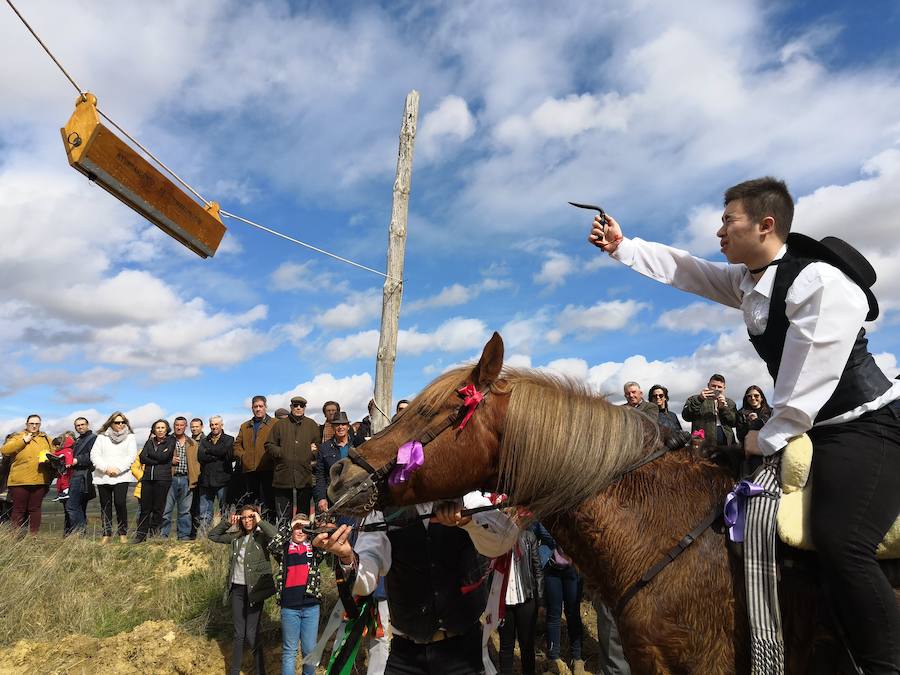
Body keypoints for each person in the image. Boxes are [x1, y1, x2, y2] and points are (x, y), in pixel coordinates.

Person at [587, 176, 900, 673]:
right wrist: (625, 247)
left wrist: (765, 437)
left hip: (864, 425)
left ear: (766, 224)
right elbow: (689, 272)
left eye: (728, 220)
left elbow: (808, 378)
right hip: (812, 428)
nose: (719, 231)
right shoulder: (750, 281)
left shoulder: (819, 282)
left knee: (843, 541)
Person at [313, 492, 519, 675]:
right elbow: (366, 580)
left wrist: (468, 521)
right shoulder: (383, 509)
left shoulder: (466, 496)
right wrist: (348, 557)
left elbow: (505, 539)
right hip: (406, 653)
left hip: (462, 652)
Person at [209, 504, 276, 675]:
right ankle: (234, 671)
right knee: (239, 634)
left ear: (256, 518)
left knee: (251, 634)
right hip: (237, 590)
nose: (247, 521)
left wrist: (260, 521)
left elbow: (276, 535)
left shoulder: (261, 537)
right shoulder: (236, 537)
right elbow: (213, 536)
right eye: (244, 517)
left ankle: (261, 671)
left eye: (251, 517)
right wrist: (227, 522)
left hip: (255, 590)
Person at [268, 513, 326, 675]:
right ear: (291, 529)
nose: (300, 531)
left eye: (304, 528)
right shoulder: (284, 549)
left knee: (309, 650)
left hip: (311, 606)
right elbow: (272, 545)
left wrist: (313, 528)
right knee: (290, 651)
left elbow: (327, 543)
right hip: (289, 607)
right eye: (297, 528)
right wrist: (291, 525)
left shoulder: (314, 548)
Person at [532, 522, 584, 675]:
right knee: (554, 613)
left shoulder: (575, 510)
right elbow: (534, 530)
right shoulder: (544, 514)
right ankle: (553, 657)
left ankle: (578, 657)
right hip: (551, 568)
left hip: (573, 568)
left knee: (573, 612)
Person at [498, 524, 543, 675]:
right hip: (503, 602)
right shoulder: (495, 539)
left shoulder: (528, 537)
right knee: (506, 646)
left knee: (527, 645)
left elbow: (538, 571)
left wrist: (540, 601)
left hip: (526, 600)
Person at [266, 396, 318, 523]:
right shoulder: (280, 424)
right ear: (291, 407)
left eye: (301, 405)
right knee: (283, 515)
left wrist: (312, 453)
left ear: (304, 408)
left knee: (303, 515)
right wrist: (282, 453)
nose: (298, 408)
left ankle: (302, 540)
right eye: (295, 405)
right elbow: (269, 445)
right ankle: (283, 540)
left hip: (304, 474)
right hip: (283, 475)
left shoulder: (312, 424)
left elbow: (318, 445)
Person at [91, 412, 138, 543]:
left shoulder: (130, 437)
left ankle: (123, 533)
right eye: (117, 422)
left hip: (122, 476)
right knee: (105, 505)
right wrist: (106, 468)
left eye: (123, 422)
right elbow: (94, 455)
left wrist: (118, 469)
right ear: (111, 423)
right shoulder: (101, 437)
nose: (120, 424)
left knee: (120, 503)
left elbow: (131, 456)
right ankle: (106, 533)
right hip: (103, 476)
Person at [1, 415, 53, 534]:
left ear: (40, 424)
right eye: (31, 423)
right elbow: (5, 450)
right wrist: (23, 441)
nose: (34, 426)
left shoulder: (46, 439)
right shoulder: (18, 437)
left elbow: (53, 453)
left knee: (35, 509)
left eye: (37, 423)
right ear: (26, 424)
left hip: (40, 479)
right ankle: (16, 537)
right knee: (19, 509)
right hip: (19, 480)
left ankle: (33, 537)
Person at [233, 395, 276, 516]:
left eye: (260, 406)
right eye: (255, 407)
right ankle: (252, 529)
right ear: (252, 408)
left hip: (268, 469)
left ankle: (269, 529)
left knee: (268, 501)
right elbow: (237, 445)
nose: (258, 409)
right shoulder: (245, 426)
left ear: (266, 407)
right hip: (250, 470)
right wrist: (243, 457)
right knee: (251, 502)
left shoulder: (275, 423)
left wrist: (272, 457)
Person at [135, 419, 175, 542]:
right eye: (157, 428)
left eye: (163, 427)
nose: (160, 430)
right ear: (154, 430)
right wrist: (157, 460)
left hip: (162, 479)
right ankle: (140, 536)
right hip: (147, 479)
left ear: (167, 429)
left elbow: (165, 457)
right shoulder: (149, 442)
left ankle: (154, 535)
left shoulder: (171, 441)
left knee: (158, 509)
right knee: (145, 509)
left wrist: (151, 457)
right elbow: (142, 458)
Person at [161, 416, 199, 541]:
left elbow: (197, 462)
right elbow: (158, 457)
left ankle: (184, 536)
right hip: (170, 479)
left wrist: (195, 477)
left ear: (185, 426)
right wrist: (169, 460)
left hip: (186, 479)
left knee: (185, 511)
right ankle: (163, 535)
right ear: (174, 425)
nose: (179, 427)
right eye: (177, 425)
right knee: (166, 509)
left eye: (181, 425)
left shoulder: (192, 443)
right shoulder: (166, 440)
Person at [198, 415, 234, 529]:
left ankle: (223, 534)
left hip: (223, 479)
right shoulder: (204, 440)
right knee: (205, 511)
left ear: (221, 425)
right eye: (212, 425)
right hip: (206, 480)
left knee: (225, 509)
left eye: (216, 424)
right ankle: (204, 536)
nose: (214, 427)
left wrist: (208, 451)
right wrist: (217, 455)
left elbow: (224, 451)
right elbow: (200, 457)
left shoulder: (229, 439)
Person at [681, 374, 738, 446]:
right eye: (713, 386)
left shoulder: (730, 402)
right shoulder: (694, 399)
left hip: (726, 444)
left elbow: (734, 423)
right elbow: (686, 416)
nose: (716, 389)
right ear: (708, 385)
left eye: (719, 387)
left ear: (724, 388)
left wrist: (723, 409)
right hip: (702, 443)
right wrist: (699, 399)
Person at [314, 412, 353, 514]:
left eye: (343, 424)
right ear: (332, 427)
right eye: (337, 425)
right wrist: (321, 498)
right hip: (332, 495)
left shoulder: (357, 444)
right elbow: (320, 475)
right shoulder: (324, 448)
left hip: (354, 494)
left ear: (348, 427)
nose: (340, 427)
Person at [66, 417, 96, 535]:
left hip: (83, 475)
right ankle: (80, 536)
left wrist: (77, 460)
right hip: (76, 474)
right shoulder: (78, 440)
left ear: (87, 425)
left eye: (82, 424)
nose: (80, 427)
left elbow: (93, 455)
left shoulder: (93, 439)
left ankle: (78, 534)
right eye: (78, 425)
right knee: (79, 507)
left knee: (72, 506)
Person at [189, 417, 206, 538]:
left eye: (197, 426)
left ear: (201, 427)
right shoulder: (188, 441)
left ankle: (202, 534)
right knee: (191, 507)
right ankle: (192, 533)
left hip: (203, 476)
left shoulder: (206, 440)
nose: (194, 428)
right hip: (191, 477)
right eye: (192, 426)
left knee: (202, 507)